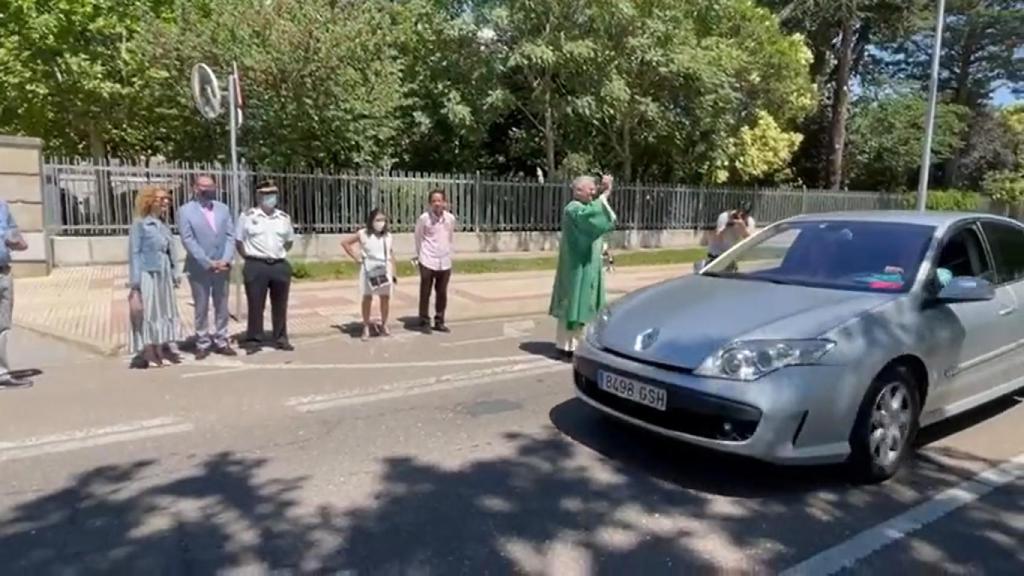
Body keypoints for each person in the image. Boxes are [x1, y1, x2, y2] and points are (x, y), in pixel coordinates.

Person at [549, 175, 618, 357]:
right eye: (591, 189)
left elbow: (601, 222)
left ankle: (580, 343)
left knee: (586, 302)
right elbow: (591, 219)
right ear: (578, 190)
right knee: (575, 301)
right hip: (577, 266)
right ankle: (568, 346)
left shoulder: (585, 207)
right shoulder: (573, 209)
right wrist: (606, 193)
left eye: (595, 190)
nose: (593, 193)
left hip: (588, 264)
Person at [178, 175, 237, 360]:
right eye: (204, 186)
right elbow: (188, 239)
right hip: (199, 267)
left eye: (211, 186)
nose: (208, 189)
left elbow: (230, 235)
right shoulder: (185, 211)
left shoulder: (223, 208)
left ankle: (221, 340)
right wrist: (207, 262)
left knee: (221, 305)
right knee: (201, 306)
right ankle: (202, 341)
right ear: (195, 188)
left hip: (223, 265)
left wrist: (226, 259)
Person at [128, 186, 184, 368]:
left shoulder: (163, 225)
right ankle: (148, 350)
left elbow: (171, 250)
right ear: (149, 201)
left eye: (167, 200)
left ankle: (160, 346)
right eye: (161, 199)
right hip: (148, 272)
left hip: (164, 272)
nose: (165, 203)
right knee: (150, 311)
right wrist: (135, 283)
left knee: (163, 310)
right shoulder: (140, 224)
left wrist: (176, 272)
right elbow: (134, 253)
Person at [236, 179, 295, 352]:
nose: (271, 197)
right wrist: (249, 257)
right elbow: (239, 241)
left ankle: (280, 338)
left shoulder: (283, 217)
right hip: (256, 264)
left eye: (273, 194)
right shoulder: (247, 216)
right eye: (267, 194)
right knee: (255, 304)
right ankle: (254, 339)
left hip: (278, 264)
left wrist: (277, 254)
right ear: (259, 196)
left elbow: (288, 242)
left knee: (280, 304)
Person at [342, 209, 397, 340]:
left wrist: (394, 272)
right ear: (371, 221)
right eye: (377, 220)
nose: (381, 223)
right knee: (367, 297)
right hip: (369, 268)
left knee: (385, 297)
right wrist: (356, 257)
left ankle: (384, 324)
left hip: (384, 267)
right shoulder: (363, 234)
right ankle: (366, 326)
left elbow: (391, 254)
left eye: (383, 220)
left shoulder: (388, 236)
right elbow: (345, 243)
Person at [414, 189, 456, 333]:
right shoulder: (424, 219)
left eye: (440, 201)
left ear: (445, 203)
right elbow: (418, 237)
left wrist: (448, 252)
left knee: (442, 292)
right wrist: (420, 255)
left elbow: (450, 237)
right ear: (429, 203)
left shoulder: (450, 219)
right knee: (425, 291)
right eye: (434, 201)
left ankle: (439, 320)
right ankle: (424, 320)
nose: (437, 204)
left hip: (444, 260)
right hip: (427, 259)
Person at [0, 199, 31, 388]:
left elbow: (17, 236)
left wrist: (15, 241)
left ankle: (2, 373)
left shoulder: (2, 207)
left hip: (4, 272)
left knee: (2, 326)